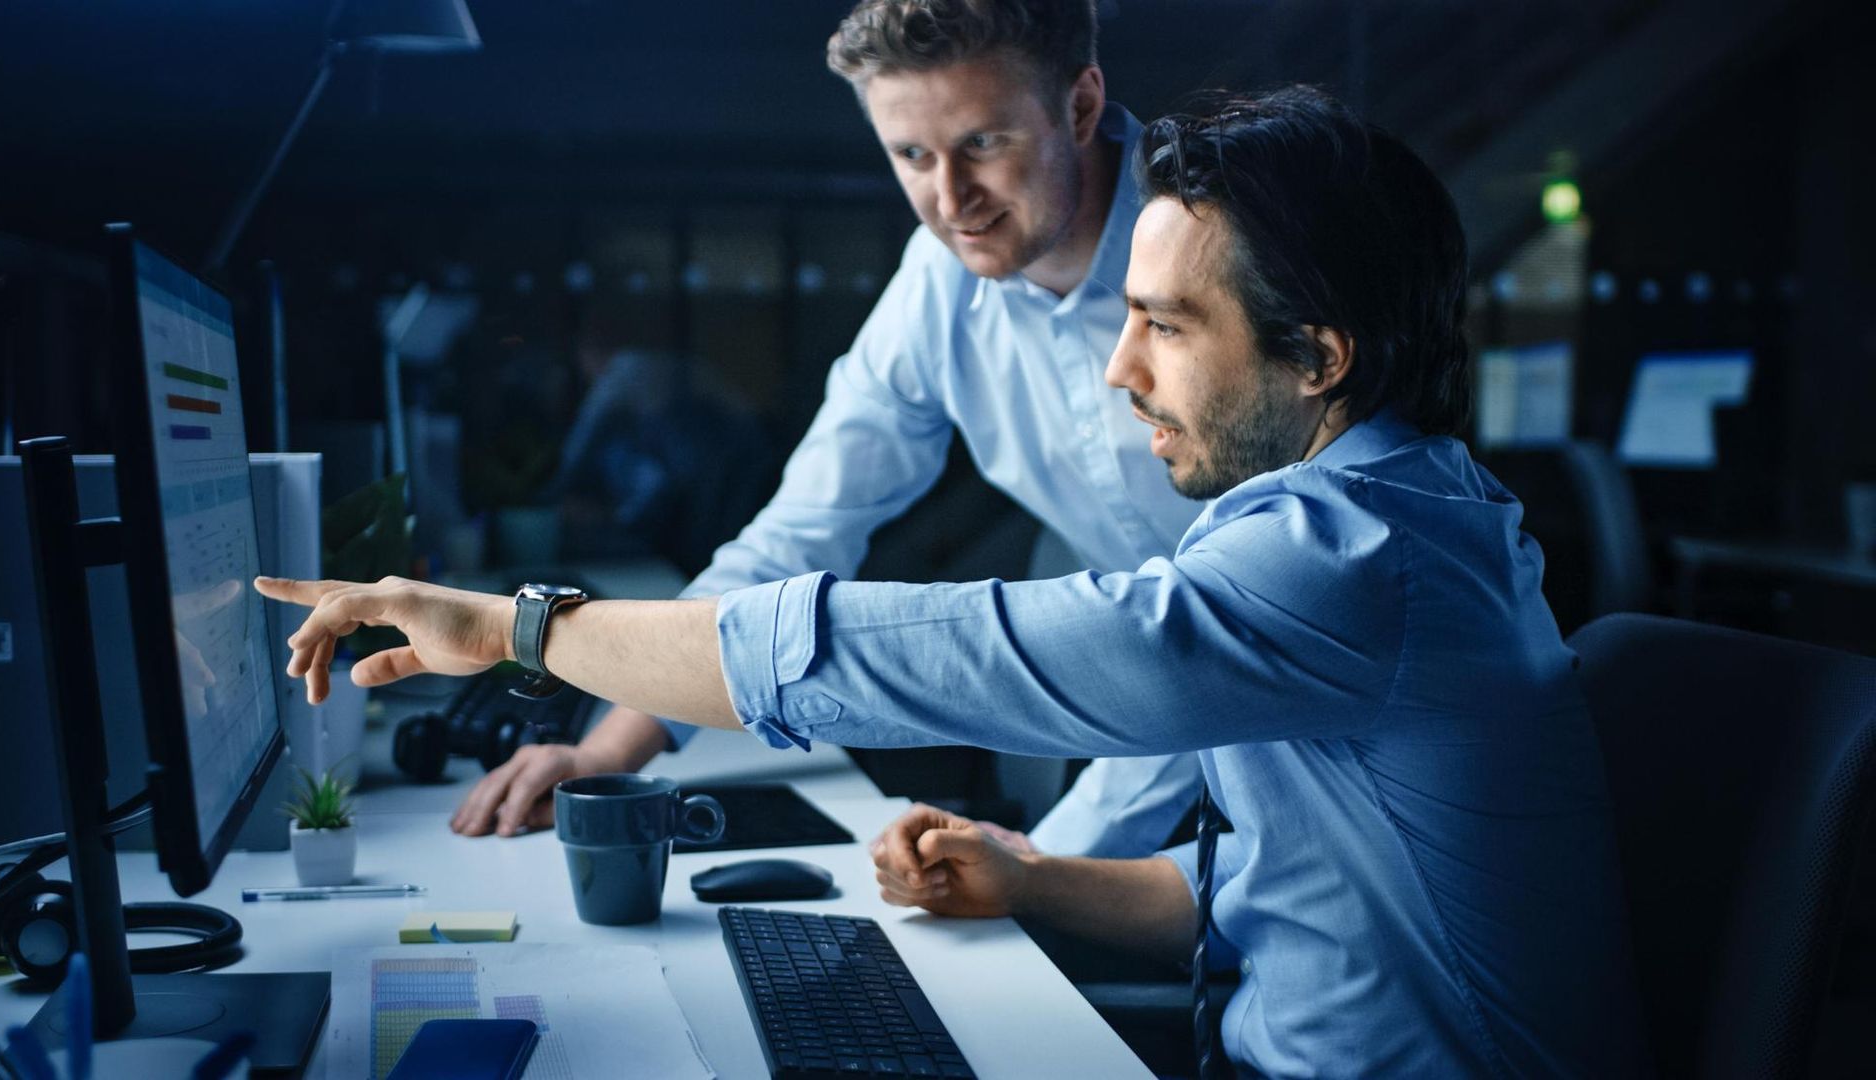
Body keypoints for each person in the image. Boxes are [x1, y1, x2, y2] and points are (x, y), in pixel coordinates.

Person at [258, 85, 1648, 1076]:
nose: (1119, 369)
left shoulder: (1355, 557)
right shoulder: (1361, 520)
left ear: (1320, 355)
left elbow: (945, 650)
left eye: (1166, 325)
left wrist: (521, 630)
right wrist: (1031, 878)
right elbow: (1291, 896)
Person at [448, 0, 1203, 858]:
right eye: (911, 155)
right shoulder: (943, 280)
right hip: (1161, 717)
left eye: (983, 144)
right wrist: (604, 754)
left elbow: (1245, 623)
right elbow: (801, 533)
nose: (951, 200)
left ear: (1080, 105)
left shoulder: (1227, 247)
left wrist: (1055, 868)